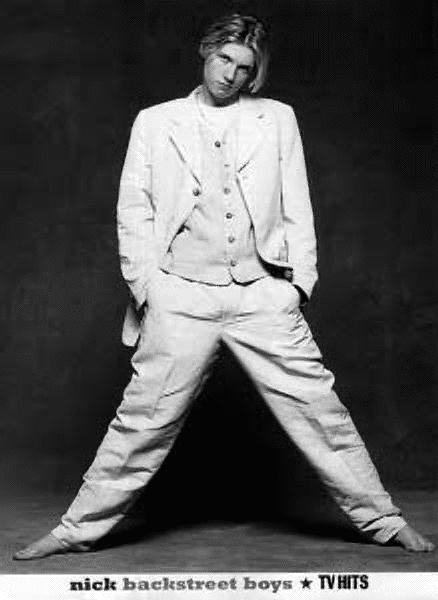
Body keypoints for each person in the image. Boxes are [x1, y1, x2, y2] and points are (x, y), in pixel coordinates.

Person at [14, 13, 434, 560]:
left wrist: (297, 286)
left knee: (319, 409)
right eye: (224, 59)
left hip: (261, 292)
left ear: (255, 74)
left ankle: (383, 519)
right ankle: (76, 529)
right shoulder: (156, 121)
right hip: (181, 293)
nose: (230, 75)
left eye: (244, 67)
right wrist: (150, 289)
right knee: (142, 420)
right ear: (205, 52)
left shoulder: (276, 119)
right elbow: (133, 209)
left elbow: (297, 205)